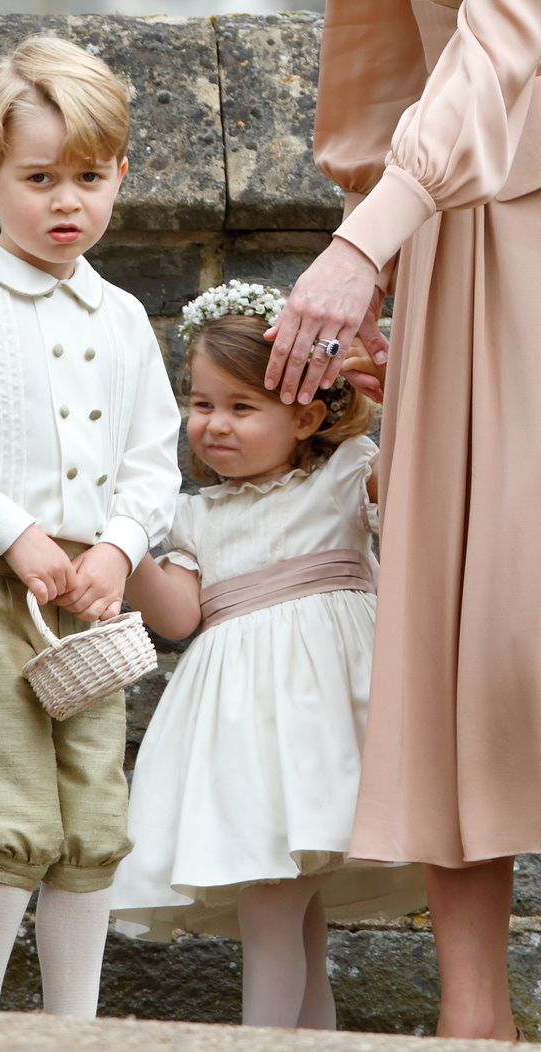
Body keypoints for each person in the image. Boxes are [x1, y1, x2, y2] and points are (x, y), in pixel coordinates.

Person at [0, 35, 181, 1017]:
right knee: (13, 825)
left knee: (91, 821)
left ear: (119, 175)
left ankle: (73, 1031)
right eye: (40, 176)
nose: (66, 201)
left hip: (90, 595)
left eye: (88, 177)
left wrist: (120, 547)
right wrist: (13, 531)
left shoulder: (124, 316)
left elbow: (152, 454)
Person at [263, 1, 541, 1040]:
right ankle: (476, 1021)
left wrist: (364, 239)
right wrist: (375, 228)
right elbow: (379, 40)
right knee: (456, 627)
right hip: (461, 236)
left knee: (519, 630)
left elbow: (514, 32)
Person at [110, 282, 423, 1030]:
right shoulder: (192, 516)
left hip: (328, 723)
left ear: (306, 415)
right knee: (285, 903)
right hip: (246, 735)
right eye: (202, 403)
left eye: (242, 407)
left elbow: (416, 486)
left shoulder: (346, 475)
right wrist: (119, 542)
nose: (215, 425)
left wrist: (401, 385)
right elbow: (179, 616)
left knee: (276, 899)